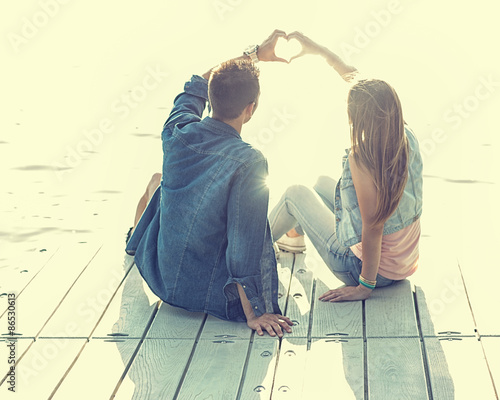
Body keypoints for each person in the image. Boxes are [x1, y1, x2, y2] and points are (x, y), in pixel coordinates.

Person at [126, 30, 293, 337]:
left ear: (210, 99)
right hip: (209, 294)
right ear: (251, 109)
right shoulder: (250, 161)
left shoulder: (176, 130)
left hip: (160, 276)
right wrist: (257, 313)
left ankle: (133, 241)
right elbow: (244, 245)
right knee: (165, 186)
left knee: (159, 183)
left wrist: (254, 54)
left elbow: (196, 85)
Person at [270, 32, 423, 302]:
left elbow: (373, 227)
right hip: (403, 265)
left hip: (360, 270)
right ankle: (293, 235)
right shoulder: (404, 135)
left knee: (295, 192)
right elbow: (363, 85)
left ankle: (247, 253)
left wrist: (365, 286)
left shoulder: (362, 158)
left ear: (356, 116)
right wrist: (319, 50)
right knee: (320, 183)